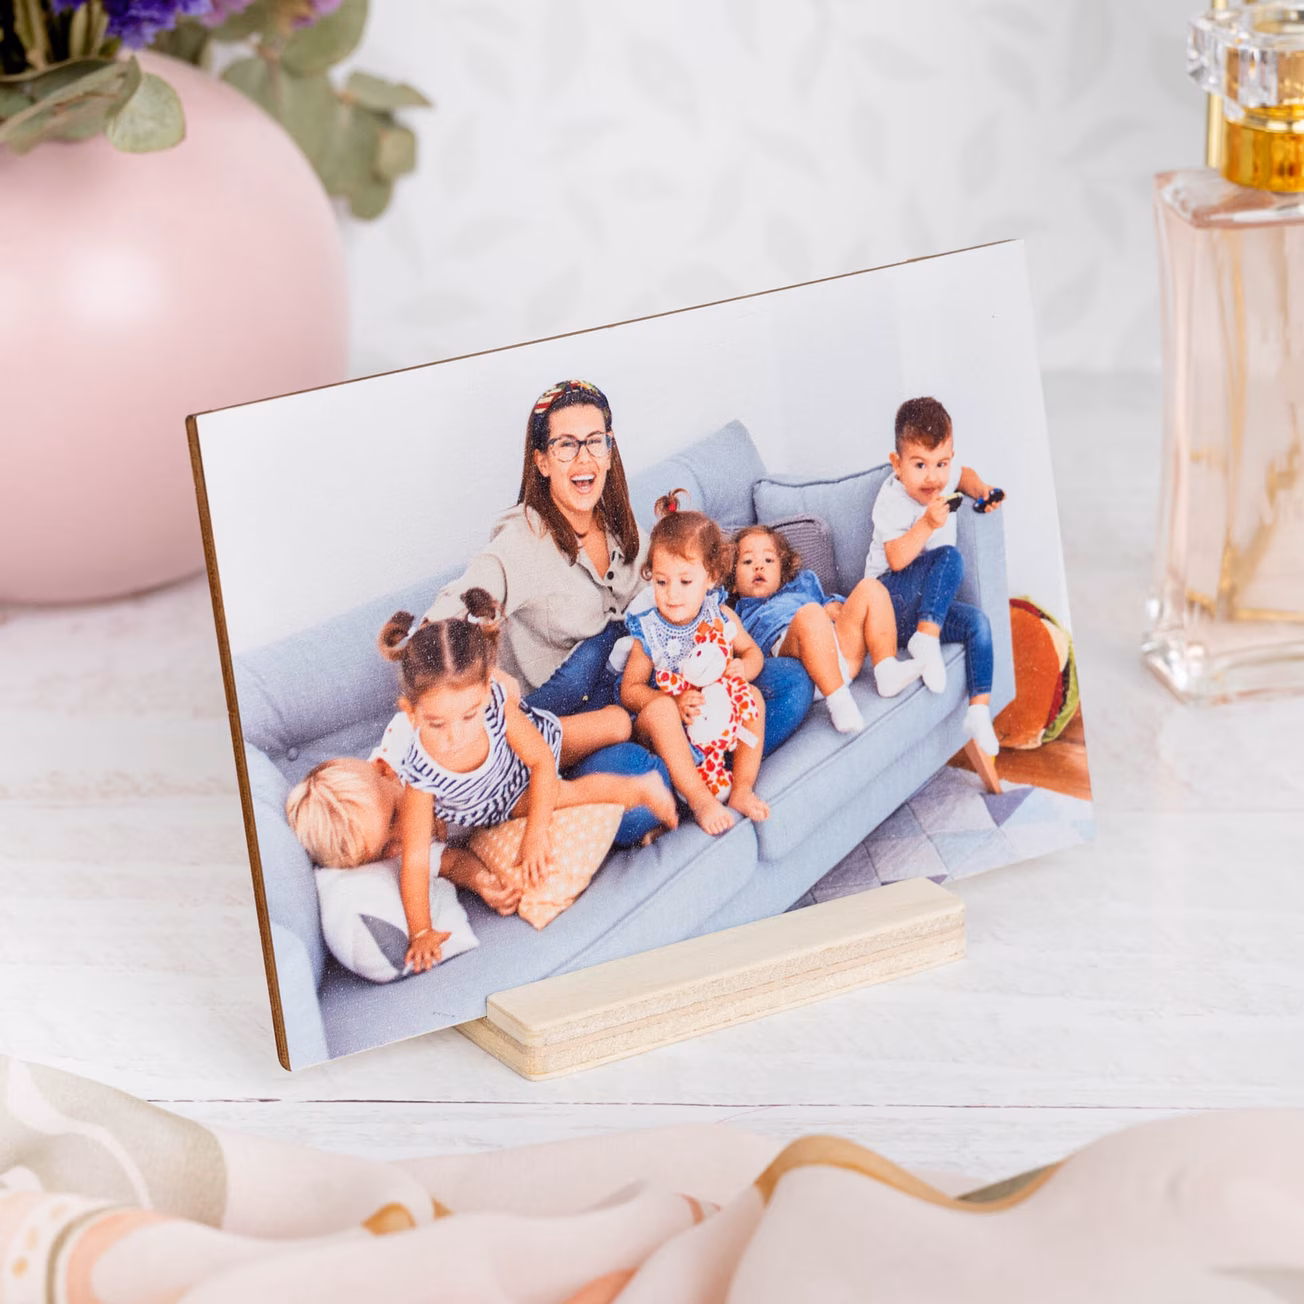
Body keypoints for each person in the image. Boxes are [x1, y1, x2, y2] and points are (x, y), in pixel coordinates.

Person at [422, 378, 813, 844]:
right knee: (642, 793)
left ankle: (697, 765)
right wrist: (480, 678)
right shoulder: (521, 540)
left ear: (610, 451)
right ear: (542, 461)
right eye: (566, 445)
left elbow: (681, 585)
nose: (584, 459)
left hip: (654, 688)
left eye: (595, 442)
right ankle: (690, 772)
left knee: (791, 683)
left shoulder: (618, 523)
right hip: (580, 718)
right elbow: (449, 613)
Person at [378, 588, 678, 973]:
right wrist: (421, 931)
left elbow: (539, 761)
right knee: (567, 792)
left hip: (534, 758)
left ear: (486, 692)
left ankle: (636, 735)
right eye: (437, 724)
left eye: (468, 716)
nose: (456, 736)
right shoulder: (420, 775)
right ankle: (637, 786)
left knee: (617, 725)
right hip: (506, 804)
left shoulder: (496, 709)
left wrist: (536, 833)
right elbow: (417, 859)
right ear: (411, 714)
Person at [621, 490, 769, 835]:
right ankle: (700, 799)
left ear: (711, 577)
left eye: (685, 581)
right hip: (668, 728)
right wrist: (671, 701)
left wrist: (744, 668)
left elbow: (753, 653)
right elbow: (630, 691)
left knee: (754, 698)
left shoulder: (719, 615)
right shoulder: (649, 631)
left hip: (715, 718)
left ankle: (742, 787)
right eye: (661, 582)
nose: (672, 593)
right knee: (660, 712)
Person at [864, 396, 1004, 756]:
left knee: (978, 623)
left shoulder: (945, 479)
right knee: (949, 558)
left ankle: (978, 711)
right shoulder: (892, 499)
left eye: (941, 463)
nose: (933, 477)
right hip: (888, 605)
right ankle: (925, 641)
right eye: (920, 465)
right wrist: (926, 524)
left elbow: (965, 476)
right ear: (897, 464)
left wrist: (983, 491)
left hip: (924, 611)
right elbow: (896, 560)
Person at [730, 524, 923, 734]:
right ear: (733, 583)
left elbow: (831, 604)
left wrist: (834, 606)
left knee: (870, 587)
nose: (759, 566)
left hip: (842, 654)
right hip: (801, 667)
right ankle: (839, 701)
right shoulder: (739, 613)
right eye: (747, 562)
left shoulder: (802, 586)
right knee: (810, 614)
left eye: (768, 560)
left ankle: (887, 669)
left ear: (782, 571)